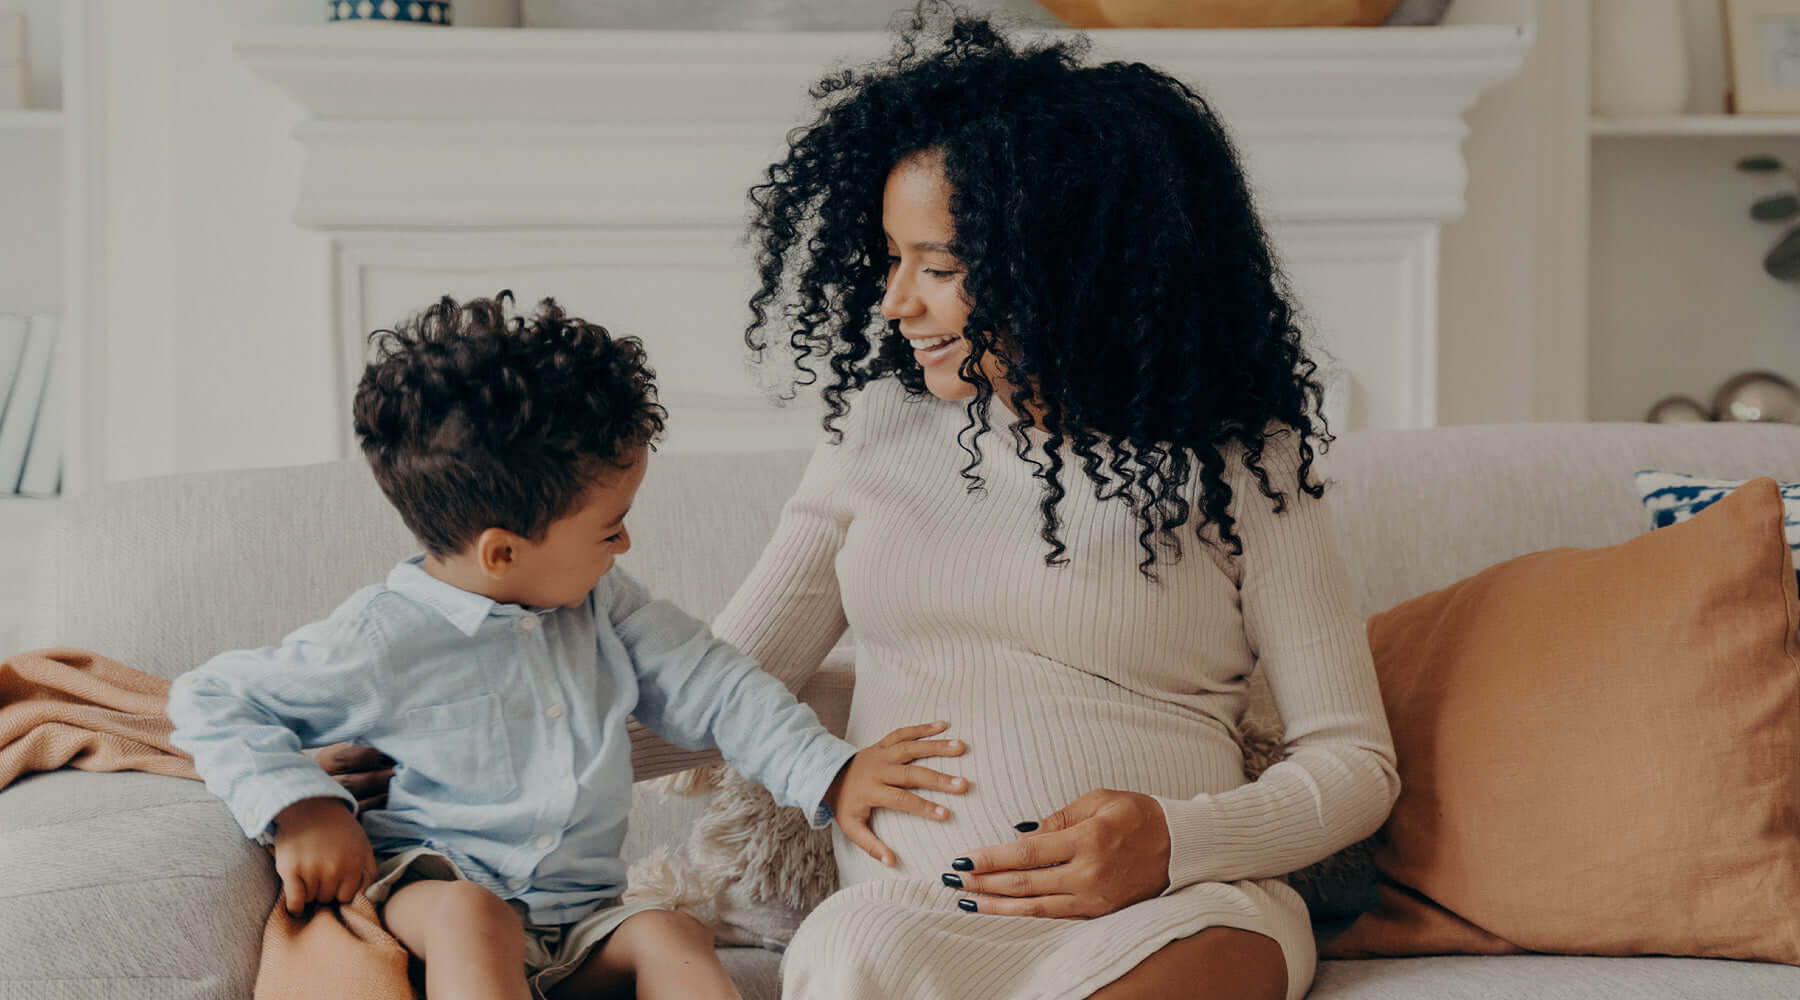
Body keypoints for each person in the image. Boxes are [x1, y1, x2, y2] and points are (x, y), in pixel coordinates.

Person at [709, 5, 1401, 998]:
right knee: (845, 949)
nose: (899, 303)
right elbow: (707, 693)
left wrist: (1177, 839)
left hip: (1174, 915)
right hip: (913, 918)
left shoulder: (1242, 460)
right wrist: (441, 724)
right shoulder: (872, 435)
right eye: (892, 260)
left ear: (1065, 264)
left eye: (940, 269)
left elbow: (1353, 760)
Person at [167, 294, 968, 1000]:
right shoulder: (382, 635)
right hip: (434, 890)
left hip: (579, 919)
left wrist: (829, 771)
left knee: (671, 934)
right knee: (471, 918)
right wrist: (305, 808)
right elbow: (212, 698)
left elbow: (719, 686)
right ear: (503, 552)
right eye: (609, 527)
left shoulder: (605, 607)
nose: (626, 543)